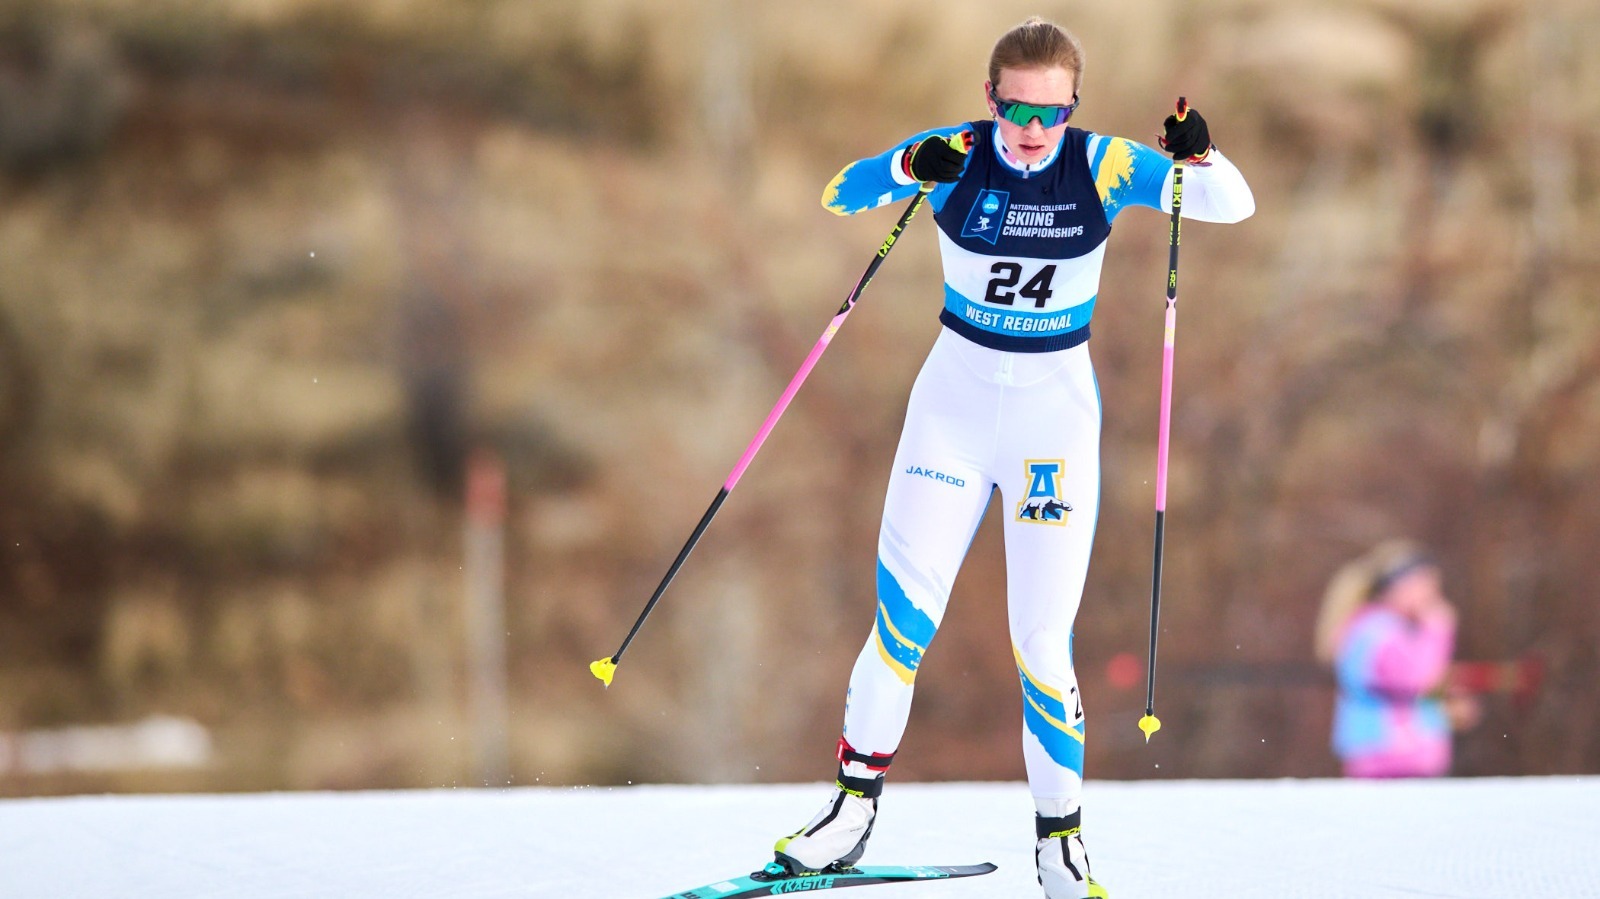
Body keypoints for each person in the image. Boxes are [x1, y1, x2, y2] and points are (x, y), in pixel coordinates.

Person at [772, 17, 1254, 899]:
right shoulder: (955, 152)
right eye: (1018, 108)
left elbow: (1231, 204)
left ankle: (1059, 842)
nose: (1034, 129)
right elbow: (842, 192)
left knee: (1041, 642)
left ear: (1074, 106)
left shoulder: (1104, 165)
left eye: (1054, 111)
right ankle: (849, 810)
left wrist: (1202, 156)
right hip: (952, 412)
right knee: (902, 621)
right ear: (990, 98)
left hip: (1051, 423)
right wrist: (908, 171)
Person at [1314, 540, 1473, 779]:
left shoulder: (1374, 628)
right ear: (1398, 585)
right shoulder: (1380, 631)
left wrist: (1442, 712)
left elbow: (1403, 692)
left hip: (1387, 753)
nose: (1434, 596)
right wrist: (1437, 630)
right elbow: (1419, 679)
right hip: (1393, 757)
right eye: (1426, 585)